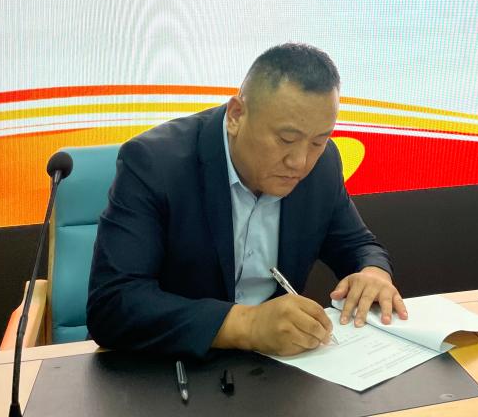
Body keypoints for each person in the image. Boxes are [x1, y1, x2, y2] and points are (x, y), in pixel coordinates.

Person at [87, 43, 406, 359]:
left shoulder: (323, 165)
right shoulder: (155, 163)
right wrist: (247, 325)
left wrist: (373, 274)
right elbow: (113, 304)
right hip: (173, 365)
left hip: (275, 367)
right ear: (236, 115)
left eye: (318, 141)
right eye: (286, 139)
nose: (299, 162)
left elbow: (358, 245)